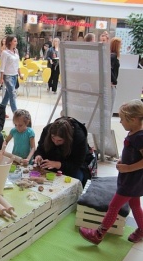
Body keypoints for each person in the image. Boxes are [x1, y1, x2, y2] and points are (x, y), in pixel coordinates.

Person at [79, 99, 143, 245]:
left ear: (133, 120)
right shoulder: (134, 132)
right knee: (135, 205)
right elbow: (132, 153)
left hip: (132, 180)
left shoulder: (140, 137)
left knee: (114, 206)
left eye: (122, 119)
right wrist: (122, 159)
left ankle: (98, 234)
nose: (120, 122)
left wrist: (128, 168)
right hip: (132, 179)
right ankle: (142, 229)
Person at [33, 116, 92, 186]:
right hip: (51, 162)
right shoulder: (47, 130)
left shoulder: (78, 137)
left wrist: (58, 164)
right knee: (34, 173)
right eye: (52, 138)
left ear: (68, 138)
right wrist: (38, 155)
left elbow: (77, 164)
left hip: (72, 166)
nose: (55, 142)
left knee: (74, 181)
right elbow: (40, 148)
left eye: (59, 140)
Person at [0, 35, 23, 115]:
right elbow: (2, 66)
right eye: (15, 41)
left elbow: (18, 64)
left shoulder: (16, 51)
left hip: (15, 75)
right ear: (10, 42)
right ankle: (16, 114)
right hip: (8, 76)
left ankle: (0, 111)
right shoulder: (5, 53)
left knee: (7, 95)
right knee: (12, 94)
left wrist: (20, 74)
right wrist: (1, 78)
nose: (16, 43)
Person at [110, 37, 121, 115]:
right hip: (111, 85)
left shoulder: (112, 55)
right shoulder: (113, 56)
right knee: (110, 106)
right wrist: (114, 81)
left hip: (111, 85)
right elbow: (108, 69)